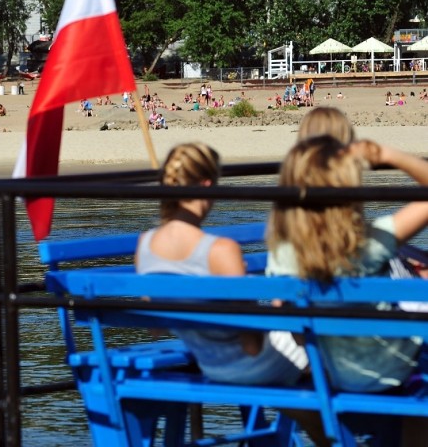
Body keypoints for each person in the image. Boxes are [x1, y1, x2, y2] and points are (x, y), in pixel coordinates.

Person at [267, 136, 428, 444]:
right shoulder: (371, 244)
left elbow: (295, 334)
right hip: (396, 374)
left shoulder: (284, 253)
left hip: (337, 375)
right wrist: (389, 154)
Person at [135, 142, 308, 386]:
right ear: (207, 186)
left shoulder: (145, 244)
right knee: (314, 344)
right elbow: (252, 344)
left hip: (210, 365)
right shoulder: (221, 250)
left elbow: (156, 328)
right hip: (255, 366)